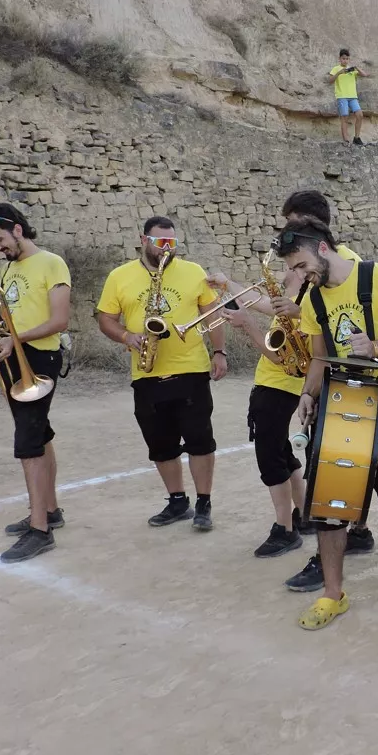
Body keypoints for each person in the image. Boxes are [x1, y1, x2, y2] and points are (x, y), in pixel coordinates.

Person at [217, 190, 375, 581]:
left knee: (338, 461)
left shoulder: (345, 263)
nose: (285, 232)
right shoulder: (298, 263)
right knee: (322, 460)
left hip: (322, 371)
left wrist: (280, 318)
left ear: (311, 224)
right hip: (298, 371)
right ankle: (328, 531)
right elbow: (282, 304)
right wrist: (233, 286)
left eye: (291, 223)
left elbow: (335, 316)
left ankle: (343, 533)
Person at [274, 218, 378, 630]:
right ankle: (332, 594)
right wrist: (308, 394)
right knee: (329, 506)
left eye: (302, 265)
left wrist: (373, 346)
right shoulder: (312, 299)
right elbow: (319, 357)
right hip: (340, 406)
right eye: (293, 269)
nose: (300, 275)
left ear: (323, 249)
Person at [95, 216, 227, 532]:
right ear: (144, 240)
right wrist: (127, 336)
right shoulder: (119, 276)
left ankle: (204, 503)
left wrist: (219, 352)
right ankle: (177, 500)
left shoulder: (193, 271)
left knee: (199, 440)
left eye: (172, 242)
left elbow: (212, 315)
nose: (167, 248)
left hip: (191, 369)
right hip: (147, 372)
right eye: (160, 242)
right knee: (160, 442)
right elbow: (105, 318)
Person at [0, 203, 72, 564]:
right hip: (11, 358)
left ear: (18, 230)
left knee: (28, 441)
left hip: (39, 358)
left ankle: (40, 531)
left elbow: (59, 321)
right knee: (39, 433)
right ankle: (50, 511)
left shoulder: (52, 263)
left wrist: (15, 340)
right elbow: (1, 324)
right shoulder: (7, 270)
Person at [327, 48, 368, 145]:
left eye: (347, 59)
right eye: (343, 58)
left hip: (353, 97)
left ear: (349, 59)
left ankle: (356, 138)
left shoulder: (352, 70)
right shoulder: (336, 68)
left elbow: (364, 75)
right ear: (339, 59)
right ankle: (346, 140)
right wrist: (339, 73)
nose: (345, 60)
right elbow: (330, 81)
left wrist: (357, 68)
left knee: (360, 115)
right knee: (344, 117)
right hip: (342, 96)